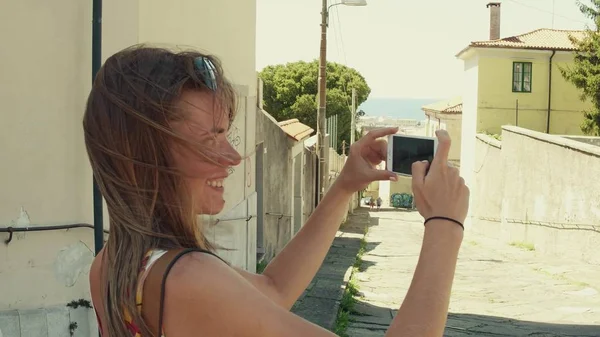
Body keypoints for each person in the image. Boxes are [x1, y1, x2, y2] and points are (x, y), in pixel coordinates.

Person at [86, 45, 469, 337]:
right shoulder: (188, 279)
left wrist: (344, 186)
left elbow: (273, 290)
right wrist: (445, 223)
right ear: (145, 157)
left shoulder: (115, 265)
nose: (232, 156)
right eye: (209, 139)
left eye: (227, 134)